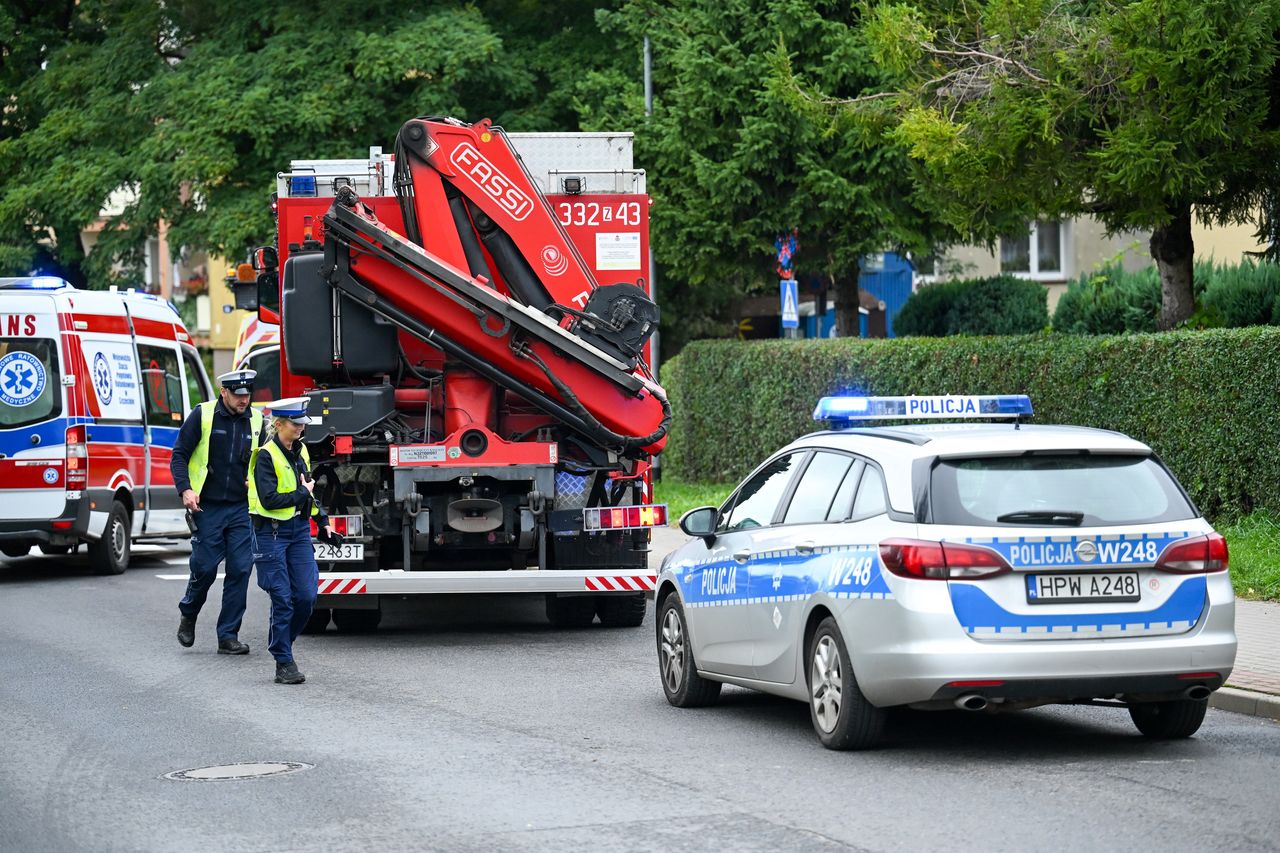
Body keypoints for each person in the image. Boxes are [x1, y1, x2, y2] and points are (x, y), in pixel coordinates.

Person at [171, 369, 264, 654]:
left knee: (240, 570)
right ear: (224, 391)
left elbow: (266, 458)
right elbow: (179, 456)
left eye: (247, 395)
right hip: (207, 505)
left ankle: (228, 636)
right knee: (205, 568)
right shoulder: (203, 415)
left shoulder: (259, 420)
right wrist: (186, 489)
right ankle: (189, 613)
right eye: (238, 395)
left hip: (240, 507)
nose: (243, 400)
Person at [248, 397, 337, 685]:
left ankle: (282, 645)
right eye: (296, 424)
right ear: (278, 424)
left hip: (298, 532)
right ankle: (283, 660)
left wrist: (323, 523)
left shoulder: (301, 452)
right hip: (271, 533)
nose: (301, 429)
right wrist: (302, 492)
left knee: (306, 597)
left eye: (302, 424)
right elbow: (270, 499)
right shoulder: (265, 456)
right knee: (283, 600)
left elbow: (308, 493)